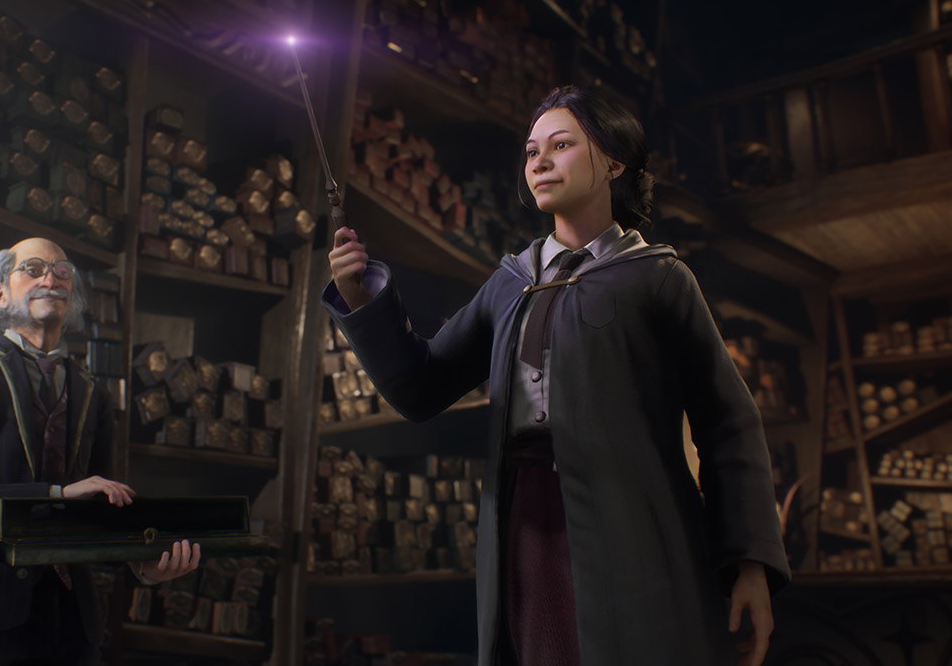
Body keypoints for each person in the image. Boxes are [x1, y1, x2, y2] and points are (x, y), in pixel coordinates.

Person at [324, 86, 790, 666]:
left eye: (562, 144)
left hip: (633, 525)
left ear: (615, 161)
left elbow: (728, 425)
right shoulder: (511, 282)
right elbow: (421, 388)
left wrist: (749, 564)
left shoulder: (656, 279)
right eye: (530, 150)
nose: (539, 162)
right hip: (524, 519)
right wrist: (359, 295)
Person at [0, 237, 201, 665]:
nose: (51, 277)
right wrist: (54, 496)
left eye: (63, 271)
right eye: (32, 269)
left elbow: (106, 507)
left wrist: (143, 565)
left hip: (73, 630)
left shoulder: (92, 392)